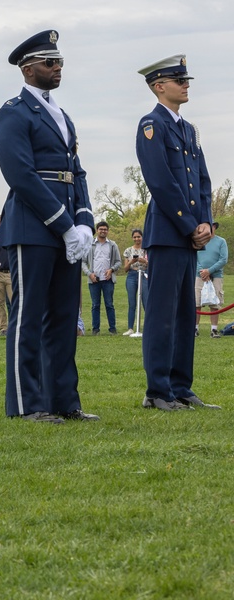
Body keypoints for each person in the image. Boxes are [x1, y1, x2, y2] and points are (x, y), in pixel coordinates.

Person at [0, 30, 98, 424]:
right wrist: (64, 224)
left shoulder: (62, 115)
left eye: (60, 63)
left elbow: (76, 172)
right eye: (50, 63)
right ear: (28, 68)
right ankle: (26, 403)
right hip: (33, 227)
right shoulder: (13, 112)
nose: (58, 69)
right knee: (29, 315)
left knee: (64, 315)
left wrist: (84, 223)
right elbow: (21, 175)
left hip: (68, 228)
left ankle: (63, 401)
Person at [135, 55, 219, 411]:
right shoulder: (151, 125)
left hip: (190, 235)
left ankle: (181, 387)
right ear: (159, 86)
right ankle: (157, 390)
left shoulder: (188, 129)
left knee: (186, 314)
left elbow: (202, 179)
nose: (186, 85)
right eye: (179, 80)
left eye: (186, 80)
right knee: (162, 314)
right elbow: (161, 182)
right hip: (169, 234)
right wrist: (189, 224)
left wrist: (207, 222)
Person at [82, 222, 121, 334]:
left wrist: (111, 270)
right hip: (94, 279)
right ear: (97, 230)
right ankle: (95, 329)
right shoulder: (90, 244)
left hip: (108, 280)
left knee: (109, 304)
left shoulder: (113, 245)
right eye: (101, 229)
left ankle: (112, 329)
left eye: (105, 229)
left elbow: (118, 262)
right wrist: (89, 274)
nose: (103, 231)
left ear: (108, 231)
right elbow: (83, 262)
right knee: (95, 305)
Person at [197, 222, 227, 337]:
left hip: (216, 275)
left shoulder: (221, 241)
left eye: (212, 226)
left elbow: (223, 259)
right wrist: (202, 272)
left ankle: (214, 330)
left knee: (215, 303)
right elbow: (194, 257)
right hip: (199, 275)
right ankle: (195, 329)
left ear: (214, 227)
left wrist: (209, 271)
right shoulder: (199, 241)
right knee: (197, 302)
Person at [122, 228, 148, 336]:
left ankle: (148, 327)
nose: (137, 239)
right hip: (132, 275)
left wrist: (144, 261)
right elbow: (125, 269)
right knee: (132, 303)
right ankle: (130, 328)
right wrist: (131, 261)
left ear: (142, 237)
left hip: (144, 274)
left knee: (146, 302)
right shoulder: (128, 251)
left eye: (139, 236)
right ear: (132, 238)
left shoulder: (147, 250)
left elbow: (153, 264)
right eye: (135, 237)